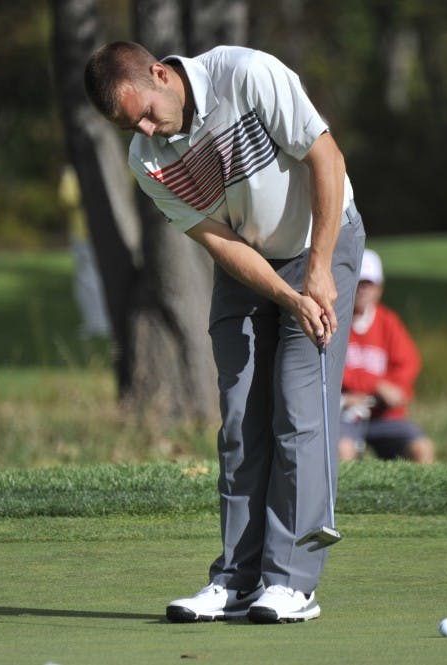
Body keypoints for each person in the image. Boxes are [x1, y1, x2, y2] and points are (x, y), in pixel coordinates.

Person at [84, 41, 364, 624]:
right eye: (126, 125)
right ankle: (236, 581)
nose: (142, 129)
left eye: (143, 112)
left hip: (321, 241)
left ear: (160, 74)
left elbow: (327, 159)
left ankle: (293, 584)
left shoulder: (246, 74)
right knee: (239, 420)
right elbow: (218, 241)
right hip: (249, 264)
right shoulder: (147, 159)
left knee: (297, 409)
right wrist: (285, 296)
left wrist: (317, 270)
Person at [339, 249, 435, 464]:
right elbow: (332, 371)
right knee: (342, 451)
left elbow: (408, 366)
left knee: (422, 449)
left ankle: (420, 498)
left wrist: (392, 391)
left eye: (368, 283)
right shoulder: (335, 321)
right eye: (358, 282)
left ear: (379, 289)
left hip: (384, 416)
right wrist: (376, 385)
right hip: (344, 413)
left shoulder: (389, 323)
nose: (362, 289)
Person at [58, 165, 111, 338]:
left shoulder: (75, 169)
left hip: (90, 232)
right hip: (86, 232)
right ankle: (98, 321)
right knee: (92, 277)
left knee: (89, 278)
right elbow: (68, 198)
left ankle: (98, 323)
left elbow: (67, 197)